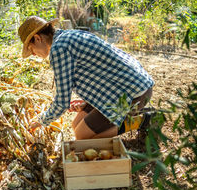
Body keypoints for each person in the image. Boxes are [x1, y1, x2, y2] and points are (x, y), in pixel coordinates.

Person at [18, 16, 154, 139]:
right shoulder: (69, 35)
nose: (34, 55)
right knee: (75, 125)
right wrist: (87, 103)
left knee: (82, 135)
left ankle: (142, 120)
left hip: (132, 95)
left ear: (37, 38)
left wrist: (41, 121)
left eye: (31, 49)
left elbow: (62, 103)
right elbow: (100, 73)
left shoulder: (59, 49)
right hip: (134, 86)